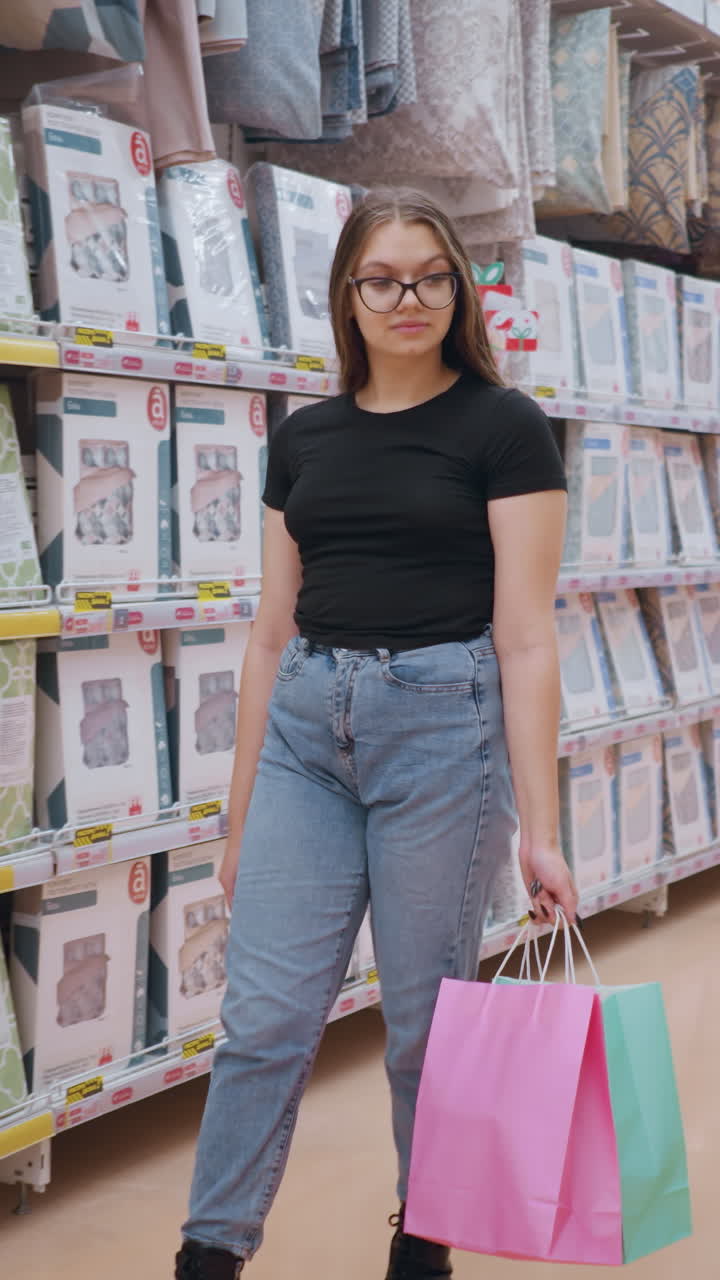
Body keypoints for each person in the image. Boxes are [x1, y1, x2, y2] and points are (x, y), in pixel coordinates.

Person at [175, 188, 578, 1280]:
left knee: (420, 1026)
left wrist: (541, 829)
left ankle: (424, 1247)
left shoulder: (505, 425)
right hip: (307, 730)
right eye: (384, 278)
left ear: (459, 287)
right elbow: (268, 633)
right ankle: (208, 1253)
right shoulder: (303, 438)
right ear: (346, 295)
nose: (410, 298)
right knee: (260, 1020)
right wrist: (240, 808)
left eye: (432, 275)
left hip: (445, 734)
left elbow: (528, 639)